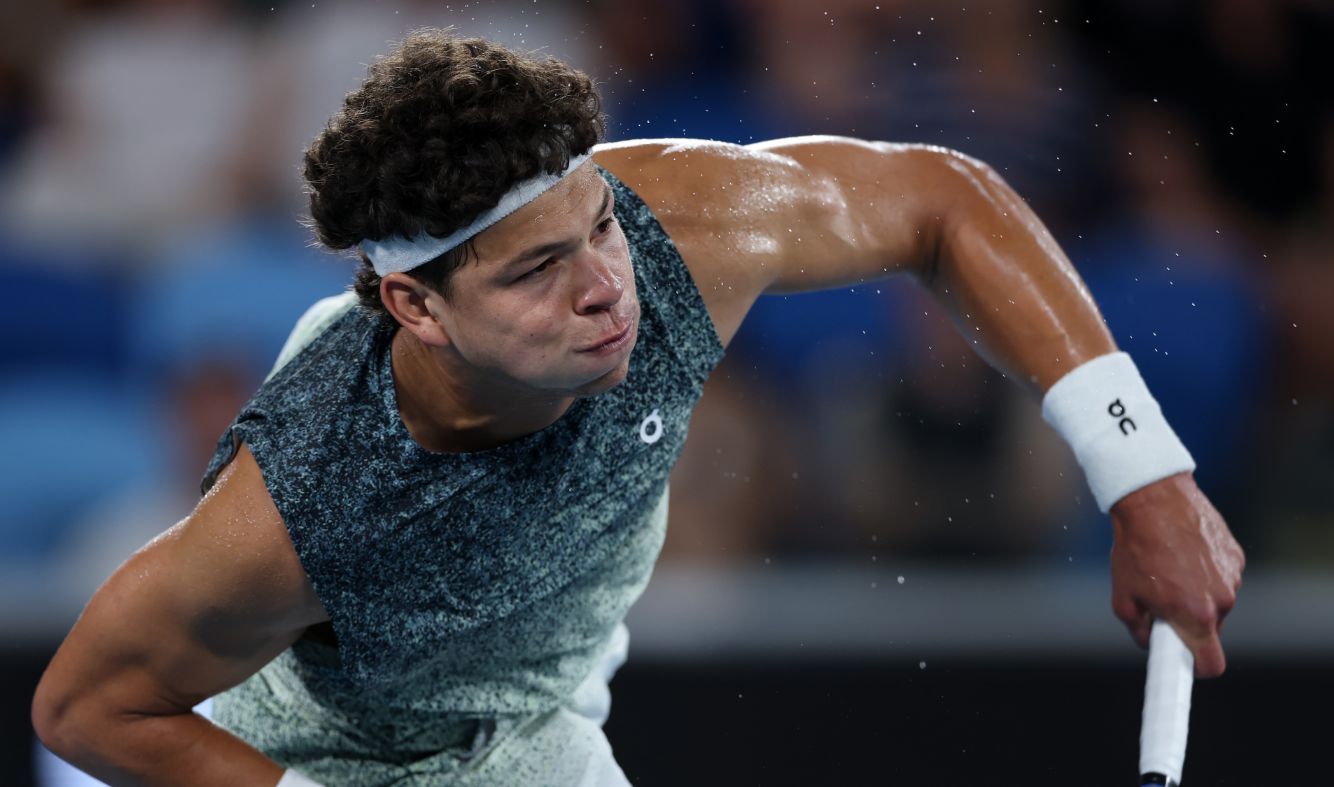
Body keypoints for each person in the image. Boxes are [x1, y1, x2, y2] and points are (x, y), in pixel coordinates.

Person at [31, 30, 1243, 786]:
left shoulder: (676, 237)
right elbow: (84, 706)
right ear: (416, 304)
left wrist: (1142, 474)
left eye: (597, 224)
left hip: (545, 697)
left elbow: (944, 197)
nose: (607, 287)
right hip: (353, 755)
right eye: (535, 271)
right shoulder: (305, 505)